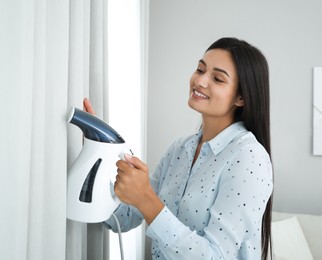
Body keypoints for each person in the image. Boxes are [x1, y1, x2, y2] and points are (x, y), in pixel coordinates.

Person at [84, 37, 273, 260]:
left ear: (241, 97)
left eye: (218, 78)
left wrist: (146, 199)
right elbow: (123, 218)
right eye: (200, 69)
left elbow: (215, 257)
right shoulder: (180, 150)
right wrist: (98, 151)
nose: (200, 81)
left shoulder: (249, 157)